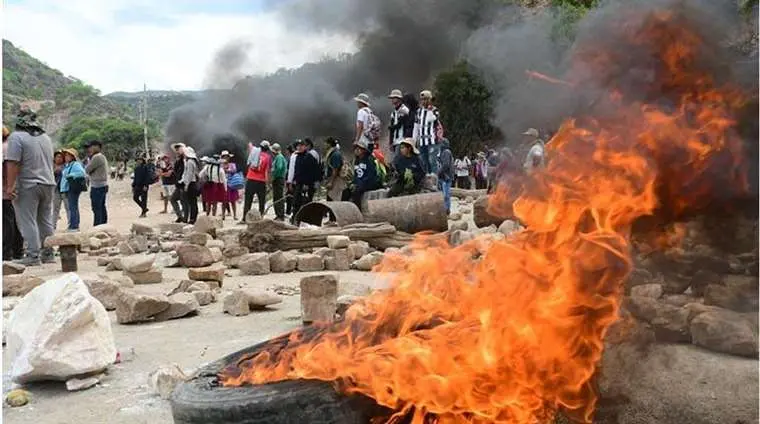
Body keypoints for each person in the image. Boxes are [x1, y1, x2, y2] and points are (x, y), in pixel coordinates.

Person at [4, 109, 56, 265]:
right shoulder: (46, 138)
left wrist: (10, 186)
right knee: (45, 220)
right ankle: (48, 253)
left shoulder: (16, 137)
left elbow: (13, 163)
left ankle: (32, 255)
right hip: (48, 183)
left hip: (28, 184)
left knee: (27, 220)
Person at [2, 125, 23, 260]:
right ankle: (17, 250)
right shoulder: (8, 146)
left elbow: (7, 168)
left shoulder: (4, 147)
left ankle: (7, 252)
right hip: (9, 189)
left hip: (5, 191)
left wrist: (8, 186)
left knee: (7, 221)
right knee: (12, 220)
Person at [413, 90, 444, 175]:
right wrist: (414, 140)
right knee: (423, 161)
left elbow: (431, 119)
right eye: (422, 99)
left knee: (432, 161)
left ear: (430, 100)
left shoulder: (435, 110)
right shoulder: (418, 111)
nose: (424, 101)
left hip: (432, 140)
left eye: (426, 99)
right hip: (422, 141)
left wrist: (429, 109)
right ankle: (427, 181)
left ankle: (436, 181)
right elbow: (416, 126)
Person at [292, 139, 322, 221]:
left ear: (305, 147)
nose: (300, 147)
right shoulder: (298, 157)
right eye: (298, 146)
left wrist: (308, 184)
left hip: (307, 185)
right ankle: (295, 219)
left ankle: (306, 220)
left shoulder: (309, 157)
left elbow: (314, 171)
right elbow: (297, 170)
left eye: (302, 145)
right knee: (296, 202)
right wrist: (294, 179)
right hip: (299, 183)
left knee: (306, 203)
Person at [243, 140, 272, 221]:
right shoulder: (268, 157)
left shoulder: (254, 153)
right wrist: (268, 183)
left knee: (248, 200)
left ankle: (244, 218)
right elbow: (267, 171)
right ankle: (261, 217)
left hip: (251, 179)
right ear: (267, 149)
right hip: (261, 181)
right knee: (261, 201)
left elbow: (248, 163)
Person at [60, 148, 87, 231]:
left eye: (68, 155)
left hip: (72, 188)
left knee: (73, 207)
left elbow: (82, 173)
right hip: (68, 188)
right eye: (65, 155)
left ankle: (74, 226)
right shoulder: (68, 165)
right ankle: (73, 224)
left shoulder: (75, 164)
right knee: (72, 207)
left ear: (72, 156)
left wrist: (71, 175)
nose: (66, 157)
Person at [350, 138, 380, 210]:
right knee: (346, 191)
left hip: (369, 182)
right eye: (355, 148)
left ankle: (358, 211)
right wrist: (353, 183)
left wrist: (360, 183)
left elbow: (371, 175)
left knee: (356, 192)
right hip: (360, 182)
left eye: (359, 148)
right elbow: (356, 175)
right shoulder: (356, 161)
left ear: (364, 150)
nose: (356, 150)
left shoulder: (369, 160)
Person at [84, 140, 109, 226]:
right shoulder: (101, 157)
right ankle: (103, 225)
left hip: (97, 186)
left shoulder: (97, 157)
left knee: (96, 208)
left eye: (91, 146)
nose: (89, 149)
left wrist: (88, 160)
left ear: (97, 147)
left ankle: (97, 226)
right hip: (102, 185)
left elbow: (87, 169)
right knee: (101, 206)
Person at [387, 89, 413, 156]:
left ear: (399, 99)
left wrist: (391, 127)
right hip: (395, 141)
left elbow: (400, 124)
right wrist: (390, 142)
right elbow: (392, 130)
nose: (392, 100)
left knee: (398, 161)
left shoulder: (404, 110)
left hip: (402, 140)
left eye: (393, 98)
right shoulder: (394, 112)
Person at [180, 146, 201, 224]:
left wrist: (186, 185)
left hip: (191, 184)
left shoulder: (189, 162)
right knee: (193, 202)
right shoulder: (192, 162)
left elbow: (189, 174)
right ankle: (193, 217)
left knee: (192, 202)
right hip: (193, 183)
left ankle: (192, 219)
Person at [323, 137, 346, 202]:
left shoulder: (335, 154)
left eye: (325, 143)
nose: (324, 145)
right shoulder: (331, 153)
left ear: (329, 144)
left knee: (334, 199)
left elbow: (335, 169)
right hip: (332, 179)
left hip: (336, 180)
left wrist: (331, 182)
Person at [268, 143, 288, 221]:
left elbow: (279, 168)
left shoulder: (279, 157)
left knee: (278, 197)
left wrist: (274, 176)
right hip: (278, 179)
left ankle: (280, 215)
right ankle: (278, 214)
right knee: (276, 197)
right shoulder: (278, 157)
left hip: (278, 179)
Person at [221, 150, 241, 221]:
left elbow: (234, 171)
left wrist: (226, 170)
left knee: (233, 201)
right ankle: (223, 215)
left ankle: (235, 215)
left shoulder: (232, 164)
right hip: (224, 184)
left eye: (227, 157)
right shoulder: (220, 165)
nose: (226, 158)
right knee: (224, 201)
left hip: (232, 184)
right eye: (224, 157)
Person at [52, 150, 69, 230]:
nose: (59, 159)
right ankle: (53, 226)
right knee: (55, 209)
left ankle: (70, 224)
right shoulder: (50, 166)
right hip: (55, 190)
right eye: (57, 157)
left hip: (65, 190)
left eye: (61, 157)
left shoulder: (67, 166)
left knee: (68, 208)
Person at [437, 139, 454, 215]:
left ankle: (447, 210)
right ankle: (445, 209)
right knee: (443, 194)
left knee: (446, 195)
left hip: (446, 176)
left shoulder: (446, 152)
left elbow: (446, 165)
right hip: (444, 176)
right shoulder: (443, 152)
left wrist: (439, 172)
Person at [171, 143, 186, 223]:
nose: (177, 151)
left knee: (183, 201)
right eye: (176, 149)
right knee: (173, 199)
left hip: (183, 184)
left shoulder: (185, 159)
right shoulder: (178, 160)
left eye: (178, 149)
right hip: (178, 184)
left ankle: (186, 217)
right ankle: (180, 216)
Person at [285, 143, 297, 217]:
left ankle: (288, 212)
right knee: (291, 195)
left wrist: (289, 181)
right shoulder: (293, 156)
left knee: (289, 196)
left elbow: (290, 170)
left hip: (291, 180)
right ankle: (290, 211)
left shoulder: (292, 157)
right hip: (293, 180)